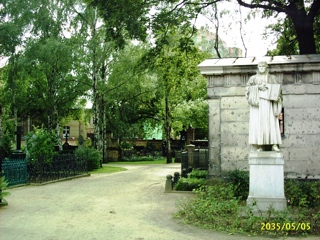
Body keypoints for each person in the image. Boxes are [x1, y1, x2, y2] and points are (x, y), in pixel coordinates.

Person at [245, 61, 282, 152]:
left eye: (263, 66)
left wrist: (275, 95)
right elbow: (247, 89)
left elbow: (278, 90)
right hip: (258, 105)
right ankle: (260, 145)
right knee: (259, 124)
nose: (261, 67)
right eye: (260, 66)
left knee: (271, 124)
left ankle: (274, 144)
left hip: (269, 104)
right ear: (258, 67)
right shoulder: (253, 78)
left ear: (267, 67)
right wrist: (257, 87)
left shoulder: (272, 78)